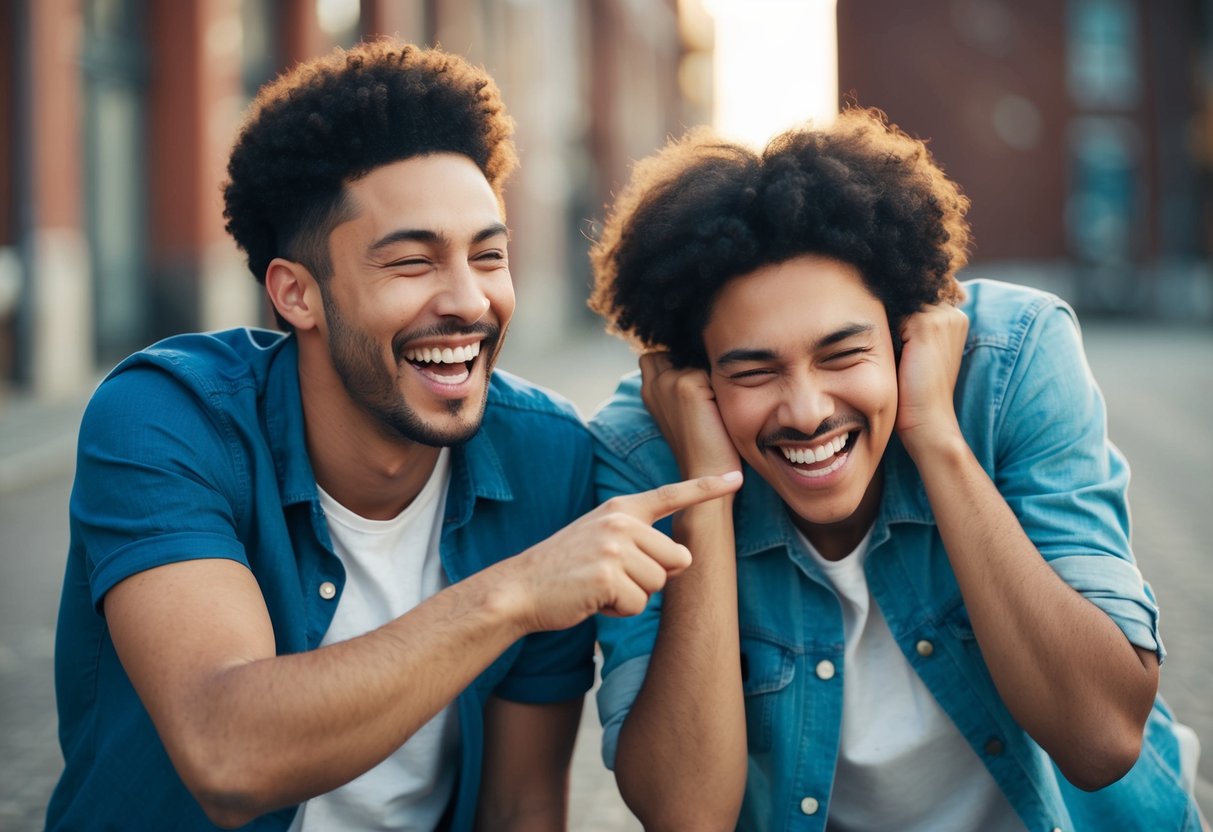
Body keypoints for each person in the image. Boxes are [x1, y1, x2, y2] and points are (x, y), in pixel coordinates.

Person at [46, 40, 740, 832]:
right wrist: (512, 594)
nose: (468, 301)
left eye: (489, 255)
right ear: (296, 294)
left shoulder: (545, 455)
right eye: (412, 263)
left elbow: (520, 808)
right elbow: (227, 754)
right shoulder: (165, 419)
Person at [586, 107, 1204, 831]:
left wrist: (934, 435)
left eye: (842, 354)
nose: (807, 410)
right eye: (753, 371)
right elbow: (686, 816)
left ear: (907, 330)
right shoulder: (644, 448)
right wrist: (707, 494)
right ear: (698, 377)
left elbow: (1100, 739)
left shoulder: (1012, 364)